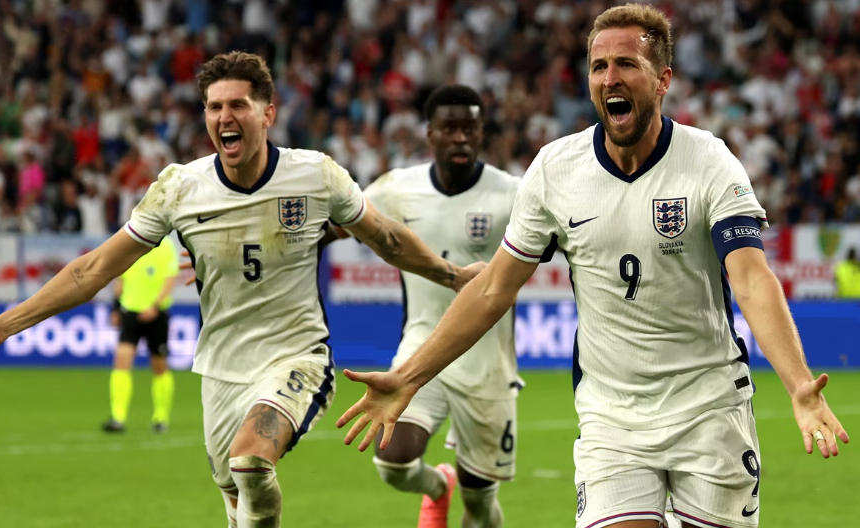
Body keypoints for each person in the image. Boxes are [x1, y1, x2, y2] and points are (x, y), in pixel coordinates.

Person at [337, 5, 850, 528]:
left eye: (626, 64)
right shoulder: (555, 170)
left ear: (663, 80)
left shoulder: (709, 161)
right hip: (611, 420)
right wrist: (408, 378)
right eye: (599, 66)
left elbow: (751, 279)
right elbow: (493, 290)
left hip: (710, 409)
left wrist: (798, 385)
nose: (610, 78)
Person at [0, 51, 483, 528]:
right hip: (221, 370)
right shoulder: (179, 189)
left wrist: (452, 275)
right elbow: (93, 270)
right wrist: (3, 326)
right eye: (214, 107)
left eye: (238, 105)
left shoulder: (315, 175)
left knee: (250, 461)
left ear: (268, 114)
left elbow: (387, 238)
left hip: (296, 358)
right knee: (239, 500)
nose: (225, 116)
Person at [337, 85, 521, 528]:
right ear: (430, 133)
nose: (460, 137)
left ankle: (464, 495)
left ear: (481, 132)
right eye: (449, 128)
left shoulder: (513, 193)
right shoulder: (398, 188)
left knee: (480, 502)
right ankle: (438, 487)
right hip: (422, 345)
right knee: (393, 460)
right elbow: (335, 225)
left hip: (488, 362)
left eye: (469, 128)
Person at [103, 236, 179, 434]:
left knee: (159, 365)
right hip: (130, 312)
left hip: (157, 314)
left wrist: (155, 306)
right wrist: (115, 308)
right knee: (121, 361)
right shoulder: (130, 242)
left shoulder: (166, 246)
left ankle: (161, 417)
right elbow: (120, 279)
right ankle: (118, 417)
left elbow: (170, 279)